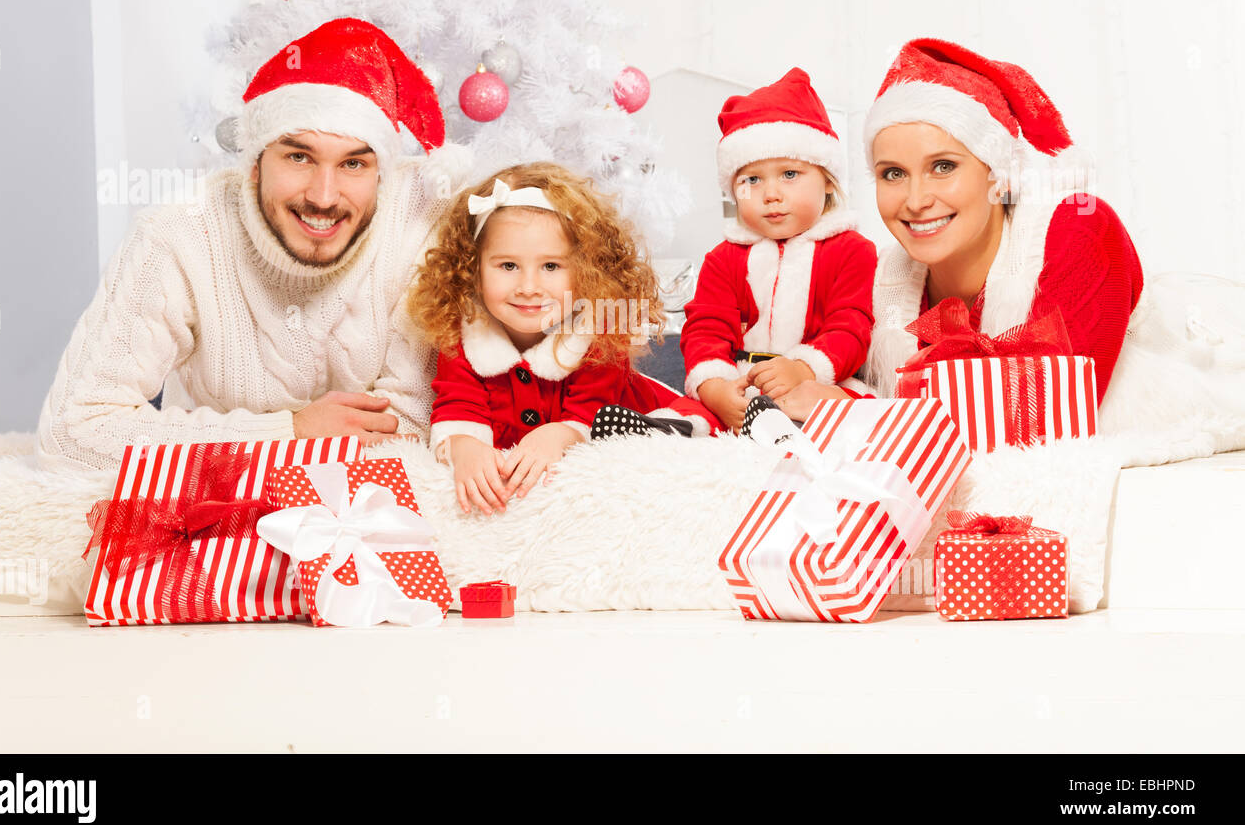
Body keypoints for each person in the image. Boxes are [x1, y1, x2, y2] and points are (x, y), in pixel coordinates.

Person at [771, 38, 1245, 465]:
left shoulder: (1079, 226)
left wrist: (850, 413)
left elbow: (1049, 414)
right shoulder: (889, 276)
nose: (914, 200)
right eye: (893, 173)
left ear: (998, 174)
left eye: (942, 166)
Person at [37, 17, 466, 472]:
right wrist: (290, 432)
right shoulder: (177, 235)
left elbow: (416, 426)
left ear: (381, 173)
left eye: (354, 164)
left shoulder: (424, 217)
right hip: (219, 517)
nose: (323, 196)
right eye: (298, 157)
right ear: (255, 164)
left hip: (367, 519)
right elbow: (71, 434)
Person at [407, 162, 702, 515]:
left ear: (585, 268)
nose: (529, 288)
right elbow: (459, 402)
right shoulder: (464, 330)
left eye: (550, 267)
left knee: (693, 432)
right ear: (473, 267)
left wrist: (562, 435)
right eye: (508, 266)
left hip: (631, 414)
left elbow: (592, 407)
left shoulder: (599, 330)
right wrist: (463, 445)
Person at [677, 68, 877, 432]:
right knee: (688, 410)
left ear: (828, 183)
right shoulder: (724, 257)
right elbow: (706, 328)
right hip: (741, 381)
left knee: (850, 412)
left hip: (818, 382)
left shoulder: (852, 250)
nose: (771, 194)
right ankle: (669, 431)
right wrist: (715, 387)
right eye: (752, 180)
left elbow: (851, 326)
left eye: (789, 174)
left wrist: (802, 369)